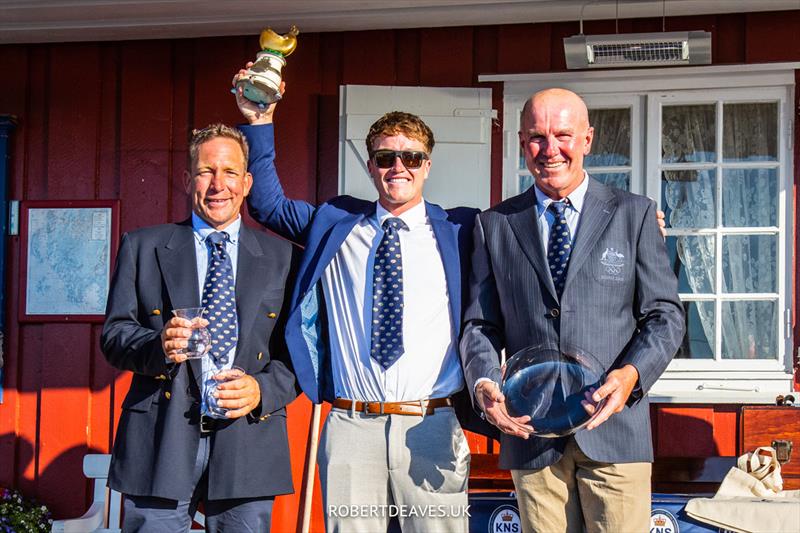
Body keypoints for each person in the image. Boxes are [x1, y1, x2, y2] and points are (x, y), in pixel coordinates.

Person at [233, 70, 498, 532]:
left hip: (430, 424)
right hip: (353, 423)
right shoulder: (334, 222)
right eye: (386, 157)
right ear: (371, 165)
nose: (400, 167)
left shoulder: (461, 230)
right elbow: (267, 205)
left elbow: (528, 237)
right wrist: (260, 119)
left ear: (428, 164)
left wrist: (634, 227)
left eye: (412, 157)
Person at [460, 88, 685, 533]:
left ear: (587, 139)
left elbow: (665, 316)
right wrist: (484, 381)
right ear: (522, 142)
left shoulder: (633, 215)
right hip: (531, 434)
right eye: (537, 138)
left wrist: (632, 375)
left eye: (562, 134)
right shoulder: (494, 225)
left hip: (614, 428)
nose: (550, 150)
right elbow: (480, 324)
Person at [101, 123, 299, 533]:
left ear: (246, 183)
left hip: (248, 438)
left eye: (229, 173)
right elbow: (115, 335)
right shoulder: (143, 246)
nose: (217, 185)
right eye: (207, 171)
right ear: (188, 179)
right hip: (160, 438)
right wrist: (158, 344)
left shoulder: (283, 258)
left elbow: (302, 353)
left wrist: (263, 389)